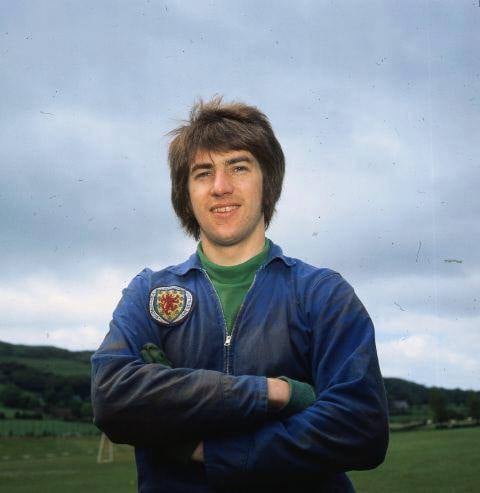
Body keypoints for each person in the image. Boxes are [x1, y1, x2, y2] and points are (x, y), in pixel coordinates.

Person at [91, 97, 389, 492]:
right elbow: (111, 397)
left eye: (238, 167)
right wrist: (274, 393)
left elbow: (361, 427)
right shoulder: (147, 293)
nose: (221, 187)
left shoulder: (322, 293)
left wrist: (213, 452)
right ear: (185, 193)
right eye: (203, 173)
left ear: (268, 182)